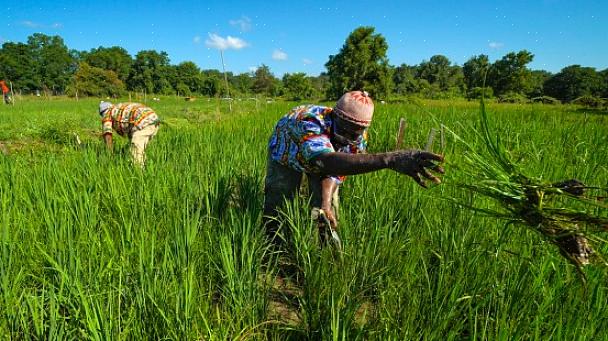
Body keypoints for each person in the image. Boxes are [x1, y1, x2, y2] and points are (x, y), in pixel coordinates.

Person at [263, 90, 444, 247]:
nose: (348, 138)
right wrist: (390, 159)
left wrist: (325, 203)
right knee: (280, 196)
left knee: (328, 208)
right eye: (344, 130)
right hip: (288, 153)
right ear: (335, 116)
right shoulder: (308, 122)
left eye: (354, 133)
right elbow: (325, 162)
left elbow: (335, 171)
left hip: (325, 158)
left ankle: (322, 250)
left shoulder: (358, 136)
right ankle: (272, 242)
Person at [99, 101, 161, 167]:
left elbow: (108, 135)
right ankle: (145, 167)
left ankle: (139, 173)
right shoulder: (118, 108)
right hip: (153, 119)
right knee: (133, 149)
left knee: (135, 150)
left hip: (142, 122)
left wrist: (109, 155)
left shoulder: (107, 114)